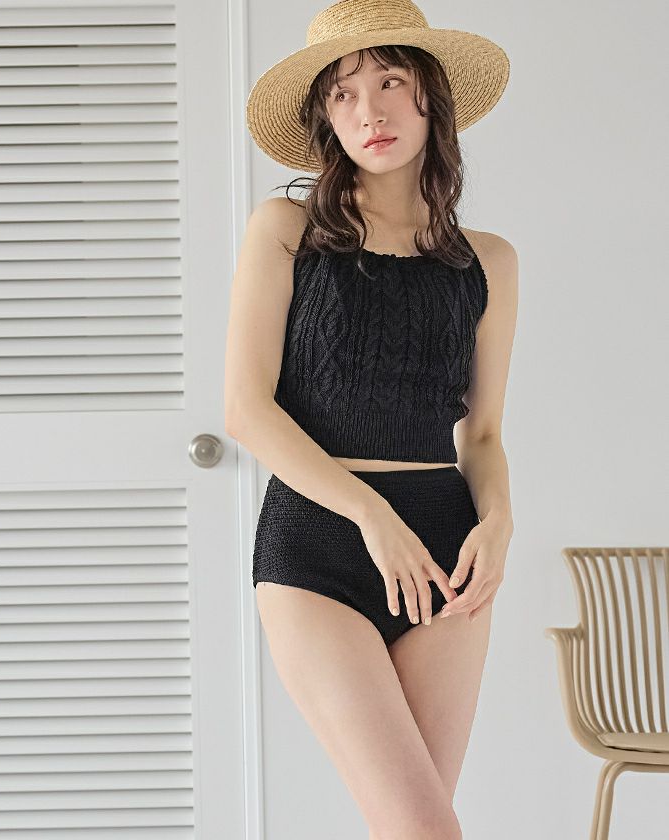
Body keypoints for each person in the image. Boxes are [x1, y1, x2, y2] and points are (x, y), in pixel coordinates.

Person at [226, 1, 517, 837]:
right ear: (325, 115)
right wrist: (371, 515)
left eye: (390, 82)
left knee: (414, 828)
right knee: (423, 825)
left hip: (447, 554)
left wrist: (499, 521)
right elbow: (246, 410)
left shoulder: (489, 262)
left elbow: (483, 434)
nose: (369, 112)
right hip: (318, 542)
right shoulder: (286, 229)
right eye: (344, 93)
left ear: (432, 97)